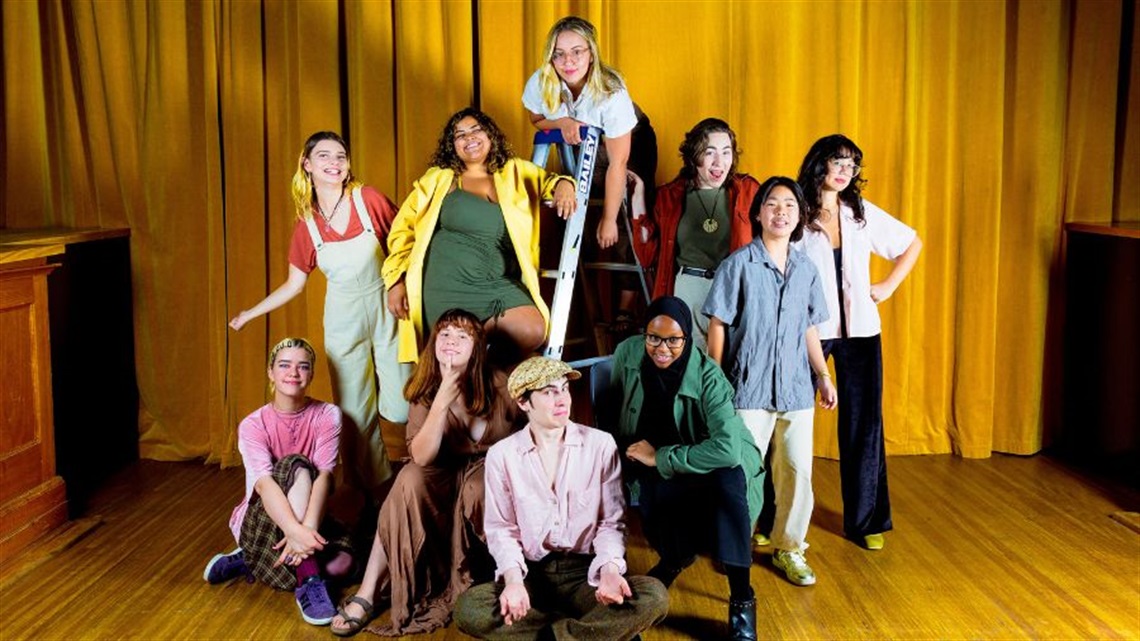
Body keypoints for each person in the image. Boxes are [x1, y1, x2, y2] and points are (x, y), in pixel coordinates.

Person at [229, 131, 410, 497]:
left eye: (341, 156)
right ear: (307, 166)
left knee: (404, 403)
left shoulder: (368, 199)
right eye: (324, 156)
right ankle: (374, 490)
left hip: (387, 309)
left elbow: (406, 244)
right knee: (356, 413)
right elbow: (294, 285)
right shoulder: (306, 226)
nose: (334, 163)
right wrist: (250, 312)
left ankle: (421, 471)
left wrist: (400, 284)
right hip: (343, 321)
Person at [327, 310, 522, 637]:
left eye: (463, 336)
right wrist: (443, 400)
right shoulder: (426, 389)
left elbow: (534, 433)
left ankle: (512, 578)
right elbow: (420, 455)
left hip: (488, 469)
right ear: (433, 344)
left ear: (478, 346)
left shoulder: (502, 384)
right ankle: (369, 591)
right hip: (440, 473)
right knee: (407, 479)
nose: (451, 341)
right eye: (444, 334)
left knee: (480, 486)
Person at [454, 356, 669, 640]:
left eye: (564, 388)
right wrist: (514, 582)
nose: (562, 398)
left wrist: (609, 570)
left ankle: (552, 636)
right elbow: (502, 530)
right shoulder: (502, 455)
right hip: (531, 574)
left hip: (585, 573)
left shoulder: (600, 445)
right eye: (548, 392)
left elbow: (611, 523)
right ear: (523, 402)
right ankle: (591, 631)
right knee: (469, 609)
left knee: (654, 595)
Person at [702, 176, 838, 589]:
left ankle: (789, 547)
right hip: (748, 388)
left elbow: (809, 328)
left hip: (796, 389)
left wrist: (824, 376)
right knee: (742, 472)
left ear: (799, 218)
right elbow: (719, 324)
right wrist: (715, 382)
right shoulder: (738, 265)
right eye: (773, 204)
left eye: (790, 206)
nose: (781, 212)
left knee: (797, 472)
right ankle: (734, 542)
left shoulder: (806, 268)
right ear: (758, 212)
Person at [609, 297, 764, 641]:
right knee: (657, 504)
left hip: (714, 460)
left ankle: (742, 596)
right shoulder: (627, 354)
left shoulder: (710, 377)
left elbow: (727, 450)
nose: (661, 348)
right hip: (655, 457)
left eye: (673, 340)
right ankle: (675, 558)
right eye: (653, 337)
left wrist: (661, 457)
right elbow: (613, 409)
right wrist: (628, 457)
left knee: (730, 491)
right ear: (644, 334)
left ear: (687, 339)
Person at [795, 135, 923, 551]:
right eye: (838, 161)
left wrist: (887, 285)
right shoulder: (796, 211)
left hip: (862, 332)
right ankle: (775, 515)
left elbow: (911, 242)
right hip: (808, 330)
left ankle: (865, 520)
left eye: (852, 165)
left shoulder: (860, 213)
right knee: (787, 424)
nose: (845, 170)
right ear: (820, 164)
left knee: (864, 426)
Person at [383, 108, 576, 366]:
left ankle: (472, 372)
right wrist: (395, 281)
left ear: (490, 134)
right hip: (446, 286)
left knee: (532, 329)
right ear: (452, 146)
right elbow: (402, 229)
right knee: (467, 356)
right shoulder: (440, 179)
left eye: (476, 130)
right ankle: (465, 381)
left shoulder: (516, 172)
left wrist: (566, 184)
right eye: (460, 135)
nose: (469, 138)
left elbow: (550, 181)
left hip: (497, 283)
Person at [202, 337, 355, 626]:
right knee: (295, 465)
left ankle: (250, 559)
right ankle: (308, 579)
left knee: (342, 566)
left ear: (311, 374)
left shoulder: (327, 415)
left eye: (303, 366)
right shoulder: (253, 424)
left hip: (313, 515)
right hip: (262, 515)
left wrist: (305, 530)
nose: (293, 373)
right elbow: (263, 485)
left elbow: (325, 476)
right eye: (284, 365)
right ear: (271, 372)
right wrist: (296, 532)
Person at [523, 16, 646, 331]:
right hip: (580, 138)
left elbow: (619, 163)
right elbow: (537, 119)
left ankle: (626, 307)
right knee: (582, 208)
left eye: (577, 51)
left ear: (592, 52)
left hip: (626, 137)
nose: (568, 61)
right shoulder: (542, 80)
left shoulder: (611, 91)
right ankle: (590, 309)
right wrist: (561, 123)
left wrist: (607, 219)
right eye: (559, 53)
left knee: (618, 212)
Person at [629, 118, 762, 351]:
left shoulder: (748, 190)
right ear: (693, 156)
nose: (719, 162)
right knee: (690, 363)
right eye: (710, 152)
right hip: (688, 288)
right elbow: (646, 255)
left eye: (726, 152)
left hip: (733, 288)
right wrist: (638, 196)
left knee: (735, 363)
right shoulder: (669, 196)